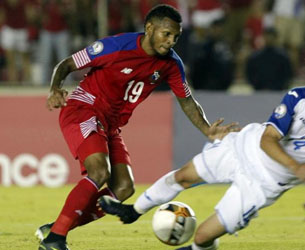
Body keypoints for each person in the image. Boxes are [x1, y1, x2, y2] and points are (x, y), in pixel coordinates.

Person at [99, 57, 305, 250]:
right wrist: (297, 167)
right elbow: (268, 140)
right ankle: (133, 211)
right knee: (183, 176)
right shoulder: (301, 98)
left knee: (204, 236)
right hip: (245, 147)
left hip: (263, 185)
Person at [36, 5, 239, 250]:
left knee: (123, 189)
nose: (171, 41)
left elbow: (186, 100)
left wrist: (208, 130)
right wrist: (55, 88)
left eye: (176, 37)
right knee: (99, 172)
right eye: (166, 34)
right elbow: (66, 64)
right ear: (150, 28)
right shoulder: (116, 46)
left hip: (111, 125)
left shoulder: (172, 64)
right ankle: (55, 239)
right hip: (84, 109)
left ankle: (58, 225)